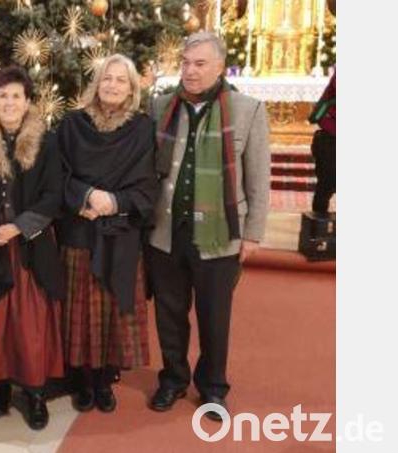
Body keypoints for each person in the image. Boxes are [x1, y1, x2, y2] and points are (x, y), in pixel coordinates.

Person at [146, 32, 270, 420]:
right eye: (185, 62)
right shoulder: (161, 106)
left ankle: (213, 387)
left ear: (219, 66)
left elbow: (258, 179)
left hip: (220, 236)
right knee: (169, 312)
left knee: (214, 316)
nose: (190, 70)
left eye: (199, 64)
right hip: (167, 230)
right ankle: (172, 379)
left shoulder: (248, 110)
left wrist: (252, 233)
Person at [56, 54, 158, 413]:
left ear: (132, 88)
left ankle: (104, 379)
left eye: (121, 80)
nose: (113, 85)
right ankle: (82, 379)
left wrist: (113, 201)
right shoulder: (72, 124)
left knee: (112, 310)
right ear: (96, 84)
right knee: (80, 311)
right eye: (106, 79)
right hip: (80, 230)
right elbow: (58, 174)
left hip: (120, 231)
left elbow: (148, 184)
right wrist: (85, 196)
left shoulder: (143, 128)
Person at [0, 66, 65, 430]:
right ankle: (1, 389)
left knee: (30, 325)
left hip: (30, 244)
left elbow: (54, 195)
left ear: (28, 101)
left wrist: (19, 227)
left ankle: (36, 393)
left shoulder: (48, 141)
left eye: (16, 96)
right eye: (2, 96)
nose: (9, 102)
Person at [308, 71, 335, 215]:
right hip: (330, 138)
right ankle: (316, 229)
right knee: (325, 186)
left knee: (325, 186)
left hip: (330, 135)